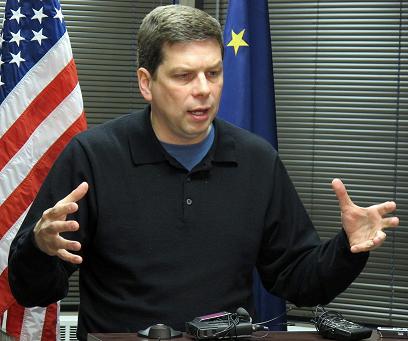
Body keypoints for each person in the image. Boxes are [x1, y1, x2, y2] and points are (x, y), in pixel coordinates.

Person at [8, 5, 399, 341]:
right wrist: (39, 249)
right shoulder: (92, 156)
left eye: (213, 73)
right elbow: (31, 291)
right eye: (184, 76)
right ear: (147, 83)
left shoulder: (256, 160)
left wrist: (347, 247)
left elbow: (297, 280)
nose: (204, 90)